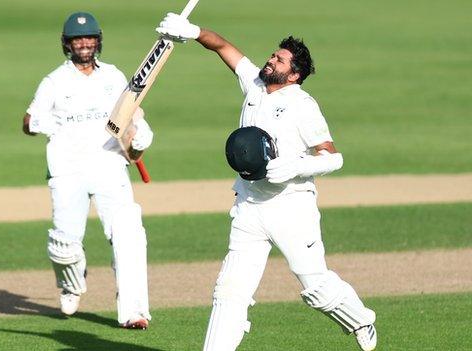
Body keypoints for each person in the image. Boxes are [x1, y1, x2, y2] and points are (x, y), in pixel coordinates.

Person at [156, 13, 377, 351]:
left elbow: (334, 156)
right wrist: (191, 31)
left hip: (291, 208)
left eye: (280, 59)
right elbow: (222, 46)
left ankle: (360, 318)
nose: (271, 60)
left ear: (295, 74)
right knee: (229, 292)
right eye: (274, 55)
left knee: (315, 288)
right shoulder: (255, 84)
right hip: (248, 206)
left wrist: (295, 166)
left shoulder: (303, 106)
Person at [22, 12, 154, 329]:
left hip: (109, 165)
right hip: (68, 169)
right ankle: (71, 282)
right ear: (67, 44)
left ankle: (134, 311)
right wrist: (47, 123)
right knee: (63, 245)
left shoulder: (113, 76)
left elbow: (131, 118)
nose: (84, 44)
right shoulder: (55, 81)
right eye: (78, 39)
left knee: (129, 235)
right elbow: (28, 122)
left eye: (90, 38)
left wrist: (140, 139)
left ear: (98, 41)